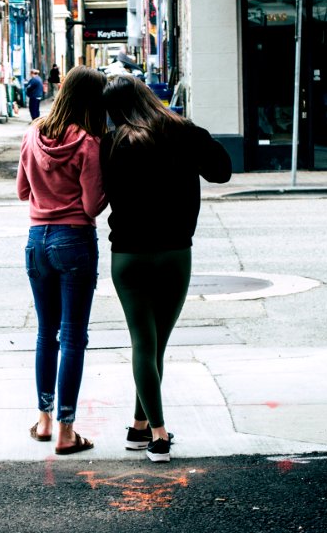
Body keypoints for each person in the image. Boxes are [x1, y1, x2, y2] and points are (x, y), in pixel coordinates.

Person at [100, 74, 231, 463]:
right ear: (146, 96)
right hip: (174, 252)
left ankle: (141, 428)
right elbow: (221, 170)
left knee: (145, 342)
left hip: (127, 256)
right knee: (155, 344)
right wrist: (193, 139)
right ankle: (159, 436)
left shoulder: (111, 143)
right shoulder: (183, 131)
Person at [17, 65, 108, 456]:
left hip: (37, 241)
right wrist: (107, 193)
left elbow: (22, 191)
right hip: (74, 239)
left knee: (45, 333)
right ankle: (67, 432)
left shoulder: (32, 133)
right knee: (73, 336)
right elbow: (91, 204)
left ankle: (43, 421)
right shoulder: (89, 143)